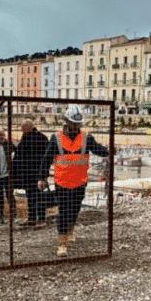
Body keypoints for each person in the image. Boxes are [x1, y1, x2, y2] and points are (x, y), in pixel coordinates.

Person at [38, 104, 109, 257]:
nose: (76, 126)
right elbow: (47, 159)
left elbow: (97, 149)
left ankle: (71, 229)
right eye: (73, 123)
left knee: (75, 209)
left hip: (80, 181)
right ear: (67, 122)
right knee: (63, 212)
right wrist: (42, 177)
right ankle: (62, 244)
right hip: (62, 182)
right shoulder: (56, 139)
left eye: (78, 124)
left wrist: (108, 151)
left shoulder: (86, 138)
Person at [14, 119, 50, 228]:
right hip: (33, 174)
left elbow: (47, 159)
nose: (21, 130)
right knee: (32, 197)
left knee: (37, 197)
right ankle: (32, 218)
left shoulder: (40, 138)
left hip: (33, 174)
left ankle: (41, 219)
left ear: (27, 128)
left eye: (22, 128)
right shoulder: (40, 138)